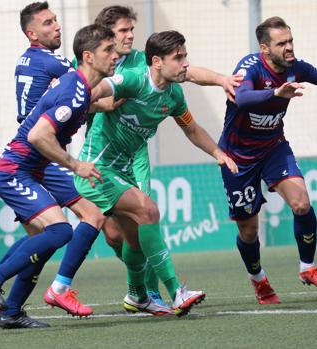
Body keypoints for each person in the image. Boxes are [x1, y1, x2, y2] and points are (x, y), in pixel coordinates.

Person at [44, 5, 242, 316]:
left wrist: (218, 152)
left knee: (134, 235)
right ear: (158, 62)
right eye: (178, 58)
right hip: (97, 168)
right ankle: (175, 290)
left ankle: (138, 294)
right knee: (146, 211)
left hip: (123, 166)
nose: (185, 63)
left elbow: (191, 128)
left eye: (184, 56)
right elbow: (93, 90)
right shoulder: (133, 79)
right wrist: (81, 101)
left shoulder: (173, 94)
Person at [0, 1, 112, 321]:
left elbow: (91, 100)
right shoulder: (62, 71)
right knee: (65, 229)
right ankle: (4, 284)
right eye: (47, 23)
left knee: (49, 236)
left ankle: (12, 311)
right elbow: (45, 128)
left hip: (36, 159)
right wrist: (76, 164)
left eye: (56, 21)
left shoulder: (33, 62)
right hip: (31, 161)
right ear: (32, 33)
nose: (57, 27)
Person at [219, 16, 317, 304]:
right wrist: (275, 92)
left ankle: (308, 267)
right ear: (265, 49)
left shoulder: (294, 67)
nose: (289, 48)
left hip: (274, 148)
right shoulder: (249, 67)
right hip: (238, 157)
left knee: (301, 202)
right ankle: (258, 279)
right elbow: (244, 98)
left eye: (290, 41)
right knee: (248, 230)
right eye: (282, 43)